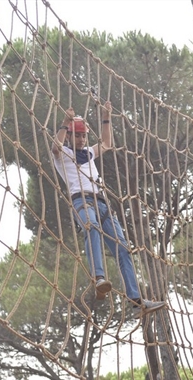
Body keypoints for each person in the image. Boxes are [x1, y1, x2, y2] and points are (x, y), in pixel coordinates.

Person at [51, 101, 165, 319]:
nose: (82, 139)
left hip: (102, 203)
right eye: (77, 136)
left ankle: (136, 299)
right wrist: (65, 122)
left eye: (83, 136)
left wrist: (106, 117)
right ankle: (99, 278)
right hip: (81, 200)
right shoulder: (63, 153)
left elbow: (106, 143)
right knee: (90, 227)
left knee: (123, 247)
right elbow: (55, 146)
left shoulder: (88, 154)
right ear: (69, 136)